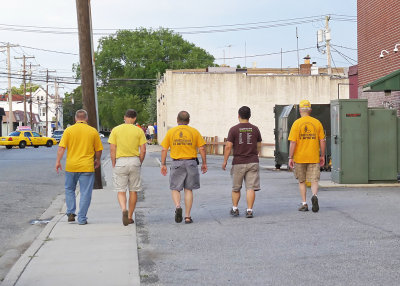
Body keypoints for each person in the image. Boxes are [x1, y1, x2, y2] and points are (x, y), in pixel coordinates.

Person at [55, 109, 103, 225]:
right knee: (85, 192)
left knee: (69, 189)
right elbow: (98, 149)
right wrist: (97, 160)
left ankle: (70, 212)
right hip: (86, 166)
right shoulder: (93, 131)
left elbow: (61, 148)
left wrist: (58, 161)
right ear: (86, 118)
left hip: (71, 166)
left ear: (76, 119)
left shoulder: (68, 130)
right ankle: (82, 218)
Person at [160, 111, 207, 224]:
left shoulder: (171, 132)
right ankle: (187, 216)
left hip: (177, 163)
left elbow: (164, 149)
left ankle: (177, 206)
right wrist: (204, 163)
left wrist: (163, 164)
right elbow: (201, 149)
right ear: (188, 120)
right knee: (188, 189)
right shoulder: (194, 131)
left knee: (175, 188)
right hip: (191, 163)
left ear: (177, 120)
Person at [222, 106, 262, 218]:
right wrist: (256, 153)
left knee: (236, 188)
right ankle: (249, 210)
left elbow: (228, 146)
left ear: (238, 115)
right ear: (250, 116)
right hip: (253, 161)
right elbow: (258, 145)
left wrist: (225, 161)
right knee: (250, 187)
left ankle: (235, 208)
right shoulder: (255, 129)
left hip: (238, 162)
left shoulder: (233, 129)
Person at [108, 109, 147, 226]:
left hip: (121, 161)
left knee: (121, 190)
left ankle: (123, 209)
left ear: (124, 117)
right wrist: (139, 161)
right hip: (134, 160)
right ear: (135, 118)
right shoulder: (139, 131)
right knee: (133, 190)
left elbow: (112, 149)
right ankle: (130, 216)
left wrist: (114, 162)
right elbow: (143, 150)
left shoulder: (116, 130)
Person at [288, 100, 326, 212]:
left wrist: (290, 157)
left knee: (302, 181)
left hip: (299, 158)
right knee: (314, 180)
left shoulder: (296, 123)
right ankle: (314, 196)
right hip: (313, 157)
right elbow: (322, 140)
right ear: (310, 110)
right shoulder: (317, 123)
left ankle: (304, 203)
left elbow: (293, 142)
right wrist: (322, 155)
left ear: (300, 110)